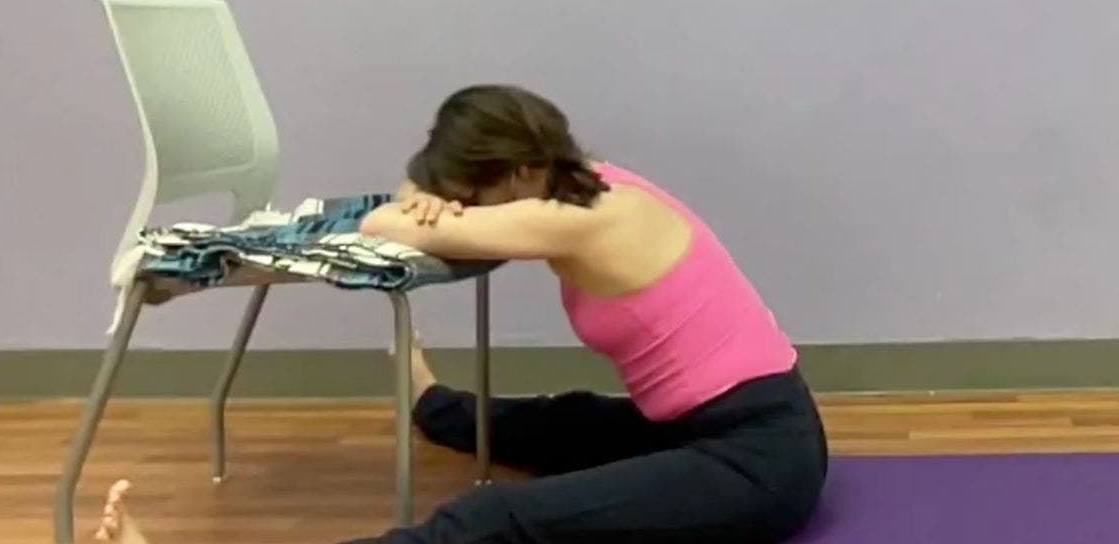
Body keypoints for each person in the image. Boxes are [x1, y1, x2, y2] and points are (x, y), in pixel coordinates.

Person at [91, 84, 827, 544]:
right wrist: (432, 191)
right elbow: (415, 189)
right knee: (558, 418)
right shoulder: (590, 182)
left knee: (491, 520)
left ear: (518, 173)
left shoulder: (577, 219)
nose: (467, 210)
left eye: (472, 195)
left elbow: (382, 224)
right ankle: (430, 403)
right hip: (714, 425)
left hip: (757, 462)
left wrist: (419, 210)